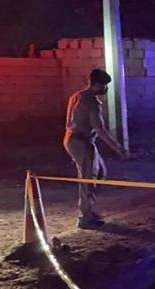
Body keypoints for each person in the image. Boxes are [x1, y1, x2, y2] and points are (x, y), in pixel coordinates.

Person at [64, 68, 127, 230]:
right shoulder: (91, 101)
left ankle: (88, 209)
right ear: (97, 84)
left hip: (76, 140)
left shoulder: (77, 96)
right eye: (105, 85)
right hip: (81, 142)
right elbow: (100, 129)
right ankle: (85, 217)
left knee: (98, 174)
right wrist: (117, 147)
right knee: (88, 178)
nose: (106, 89)